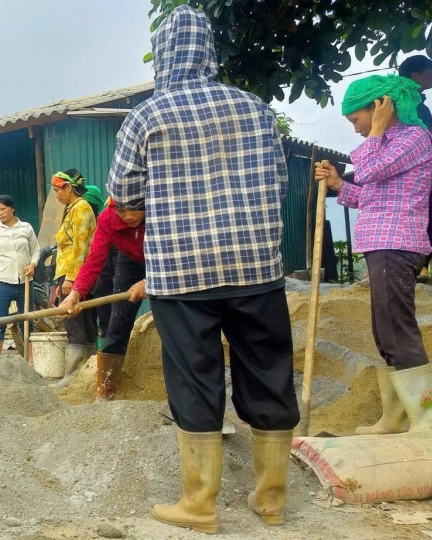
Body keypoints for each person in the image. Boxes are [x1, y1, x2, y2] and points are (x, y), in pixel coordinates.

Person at [116, 7, 298, 533]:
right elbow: (281, 186)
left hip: (182, 273)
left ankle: (199, 506)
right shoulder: (255, 109)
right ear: (209, 51)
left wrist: (155, 206)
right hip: (255, 267)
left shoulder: (147, 116)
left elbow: (124, 197)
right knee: (268, 370)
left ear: (165, 55)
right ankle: (272, 501)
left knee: (194, 380)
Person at [317, 74, 432, 436]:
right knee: (384, 331)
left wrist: (374, 131)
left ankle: (429, 420)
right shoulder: (390, 143)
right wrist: (339, 184)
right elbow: (370, 196)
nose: (357, 131)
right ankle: (398, 417)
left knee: (397, 330)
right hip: (381, 242)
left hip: (397, 243)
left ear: (379, 107)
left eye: (357, 120)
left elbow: (371, 170)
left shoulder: (414, 138)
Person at [58, 198, 146, 394]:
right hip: (130, 259)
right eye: (121, 210)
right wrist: (76, 293)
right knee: (118, 321)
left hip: (166, 260)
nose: (129, 216)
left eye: (134, 209)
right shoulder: (107, 218)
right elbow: (94, 260)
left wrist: (151, 281)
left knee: (169, 316)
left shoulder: (160, 211)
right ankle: (106, 389)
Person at [50, 170, 98, 367]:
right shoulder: (72, 209)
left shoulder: (80, 209)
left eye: (57, 190)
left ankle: (76, 372)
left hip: (76, 274)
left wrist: (70, 278)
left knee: (74, 321)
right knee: (82, 320)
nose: (56, 195)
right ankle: (86, 371)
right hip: (70, 273)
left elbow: (80, 247)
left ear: (68, 187)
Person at [0, 195, 40, 360]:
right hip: (1, 281)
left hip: (25, 282)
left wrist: (33, 264)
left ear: (12, 208)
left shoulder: (26, 227)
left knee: (27, 321)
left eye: (3, 209)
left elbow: (35, 250)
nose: (0, 213)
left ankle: (30, 360)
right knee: (0, 321)